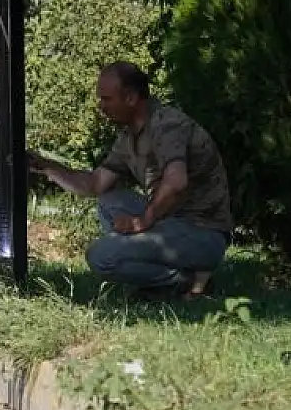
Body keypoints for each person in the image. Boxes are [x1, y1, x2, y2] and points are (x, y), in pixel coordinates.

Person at [28, 61, 233, 300]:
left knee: (100, 256)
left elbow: (177, 182)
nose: (101, 107)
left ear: (131, 98)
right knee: (109, 202)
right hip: (171, 222)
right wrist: (47, 166)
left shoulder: (167, 124)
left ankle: (186, 282)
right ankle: (178, 276)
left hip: (203, 233)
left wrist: (143, 221)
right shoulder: (129, 136)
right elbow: (95, 184)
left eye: (106, 99)